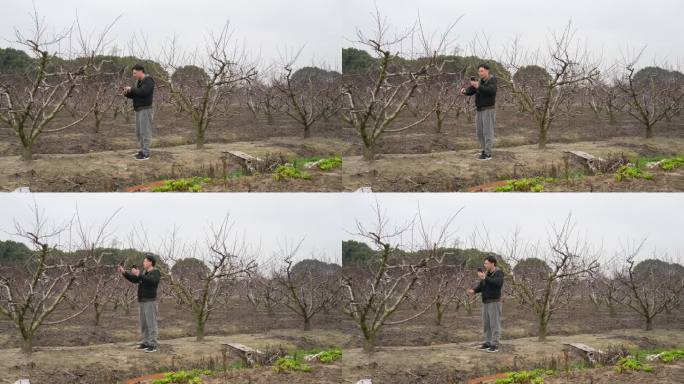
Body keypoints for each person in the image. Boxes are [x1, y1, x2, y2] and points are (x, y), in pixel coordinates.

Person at [117, 253, 161, 352]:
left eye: (145, 261)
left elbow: (153, 281)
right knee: (144, 324)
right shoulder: (144, 273)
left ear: (150, 262)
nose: (143, 262)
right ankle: (145, 342)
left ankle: (153, 344)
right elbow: (135, 279)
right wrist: (124, 272)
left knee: (151, 324)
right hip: (142, 301)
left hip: (150, 301)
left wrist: (139, 274)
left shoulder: (155, 272)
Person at [460, 64, 498, 161]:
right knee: (479, 132)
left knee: (487, 132)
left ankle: (488, 154)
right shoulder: (479, 81)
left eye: (482, 71)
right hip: (479, 109)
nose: (480, 73)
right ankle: (484, 150)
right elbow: (472, 89)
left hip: (488, 109)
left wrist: (478, 86)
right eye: (479, 71)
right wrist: (465, 91)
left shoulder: (492, 80)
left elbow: (491, 91)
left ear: (487, 71)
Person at [467, 255, 504, 353]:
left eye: (486, 263)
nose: (485, 265)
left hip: (494, 302)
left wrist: (485, 277)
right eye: (484, 263)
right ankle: (487, 342)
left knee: (494, 324)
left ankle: (495, 344)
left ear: (492, 263)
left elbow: (497, 284)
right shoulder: (486, 273)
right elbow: (481, 286)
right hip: (486, 302)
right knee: (486, 324)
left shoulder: (498, 272)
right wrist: (473, 291)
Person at [122, 64, 155, 161]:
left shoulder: (148, 80)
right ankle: (142, 150)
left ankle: (146, 153)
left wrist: (131, 89)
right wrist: (127, 94)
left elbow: (144, 92)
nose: (134, 75)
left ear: (141, 71)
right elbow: (136, 95)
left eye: (135, 73)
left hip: (145, 109)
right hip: (138, 110)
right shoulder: (138, 82)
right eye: (133, 73)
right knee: (139, 132)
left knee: (145, 131)